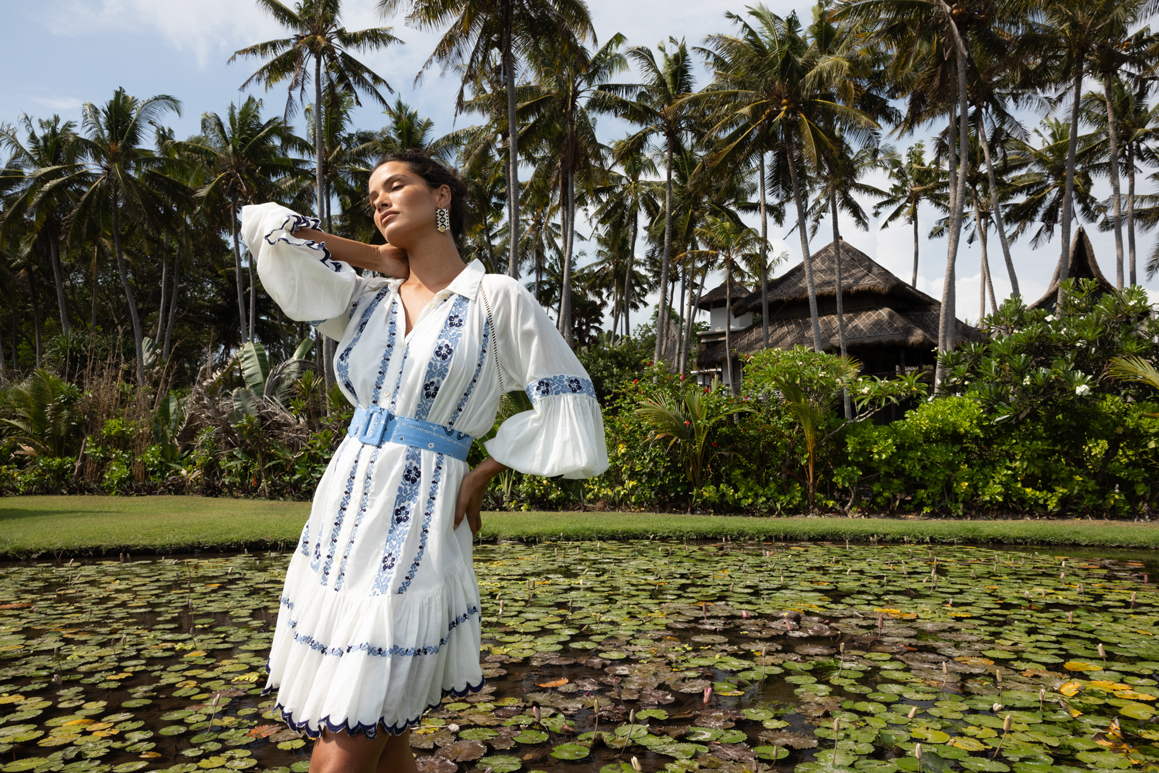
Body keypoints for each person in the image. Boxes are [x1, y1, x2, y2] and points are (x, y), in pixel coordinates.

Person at [239, 150, 608, 773]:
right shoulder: (364, 300)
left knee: (351, 729)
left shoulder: (496, 298)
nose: (379, 199)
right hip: (346, 505)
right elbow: (267, 227)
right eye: (371, 195)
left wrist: (485, 469)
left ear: (443, 196)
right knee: (383, 728)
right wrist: (375, 255)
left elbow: (567, 398)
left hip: (420, 511)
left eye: (396, 185)